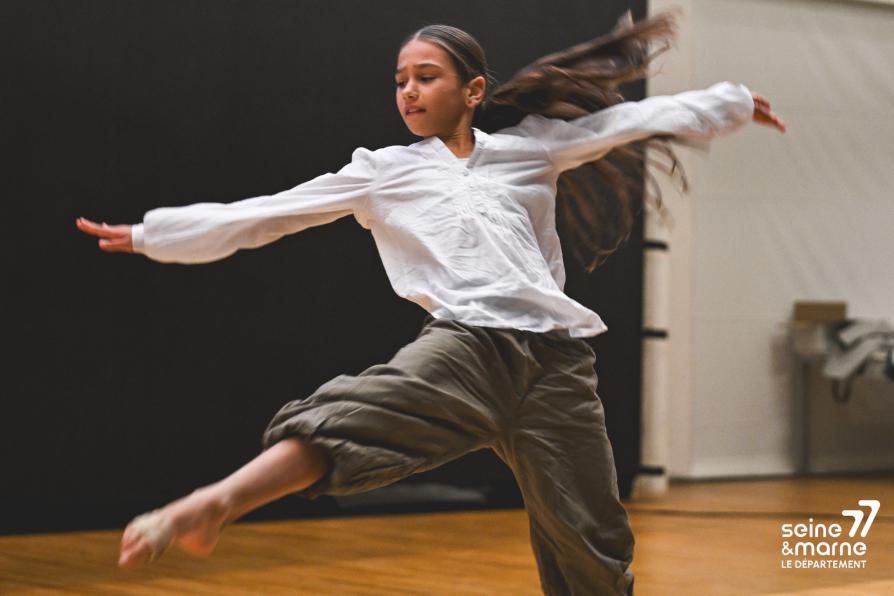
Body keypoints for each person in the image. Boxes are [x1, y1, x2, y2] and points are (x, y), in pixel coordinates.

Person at [76, 10, 784, 595]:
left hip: (558, 367)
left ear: (472, 90)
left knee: (593, 545)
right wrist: (151, 234)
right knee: (350, 418)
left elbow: (627, 123)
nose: (408, 91)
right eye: (400, 81)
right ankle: (210, 507)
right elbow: (266, 214)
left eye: (425, 77)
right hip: (468, 348)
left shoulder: (530, 151)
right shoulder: (381, 173)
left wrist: (724, 103)